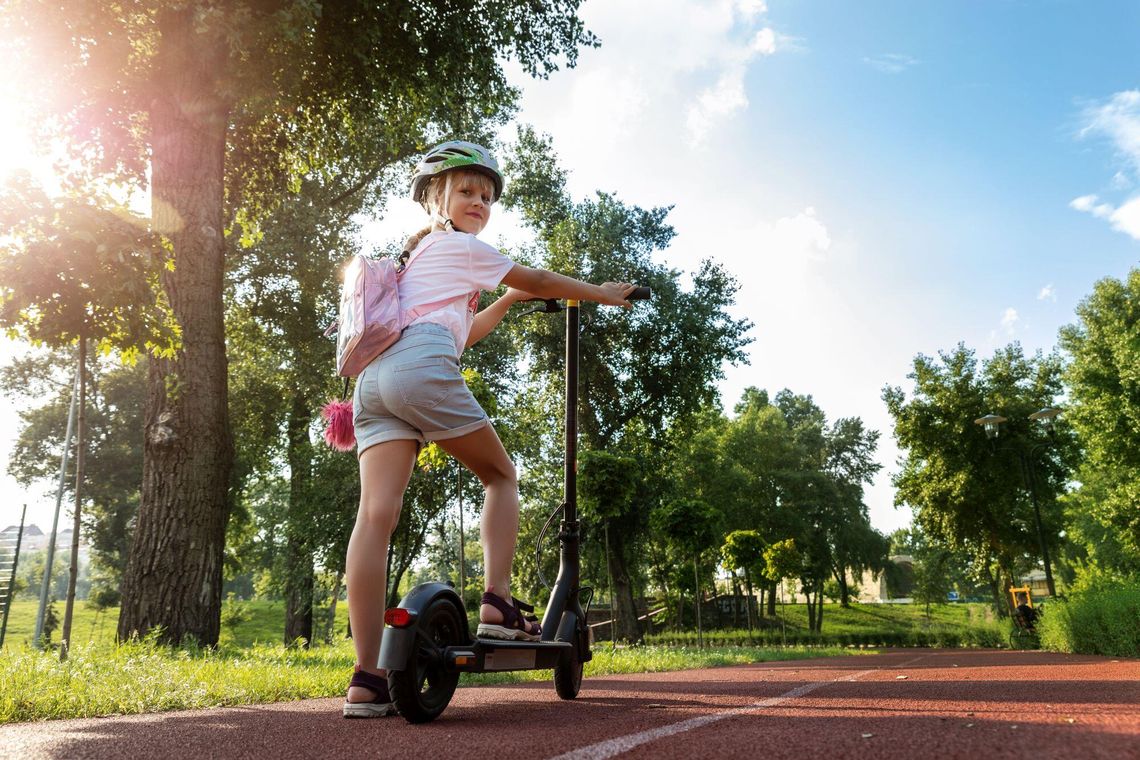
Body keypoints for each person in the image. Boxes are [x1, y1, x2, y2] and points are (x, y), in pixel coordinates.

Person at [342, 141, 636, 718]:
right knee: (501, 476)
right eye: (466, 190)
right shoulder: (459, 245)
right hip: (419, 369)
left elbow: (461, 332)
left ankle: (367, 679)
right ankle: (498, 603)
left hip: (373, 385)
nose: (479, 201)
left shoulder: (419, 261)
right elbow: (542, 277)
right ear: (435, 197)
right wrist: (600, 293)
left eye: (487, 195)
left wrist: (504, 300)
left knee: (375, 518)